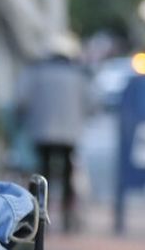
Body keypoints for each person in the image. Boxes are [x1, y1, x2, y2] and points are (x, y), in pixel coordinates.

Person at [16, 33, 91, 232]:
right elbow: (91, 102)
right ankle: (68, 214)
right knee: (68, 172)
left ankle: (41, 213)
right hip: (70, 132)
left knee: (43, 172)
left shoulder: (36, 72)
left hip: (41, 130)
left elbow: (22, 100)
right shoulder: (78, 74)